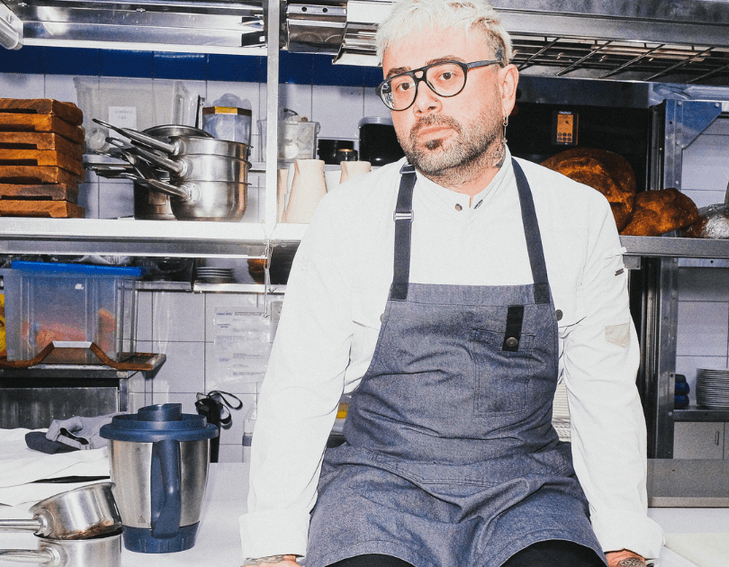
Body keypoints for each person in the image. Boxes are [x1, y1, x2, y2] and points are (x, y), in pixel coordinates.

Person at [239, 1, 664, 566]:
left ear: (506, 88)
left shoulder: (577, 215)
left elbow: (604, 389)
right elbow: (299, 390)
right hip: (378, 492)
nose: (423, 103)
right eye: (400, 84)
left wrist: (623, 535)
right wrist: (274, 543)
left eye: (446, 74)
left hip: (527, 493)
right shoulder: (348, 216)